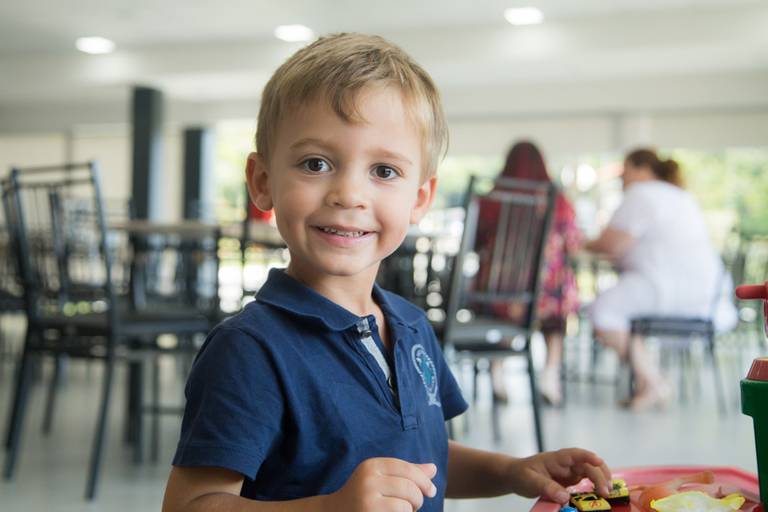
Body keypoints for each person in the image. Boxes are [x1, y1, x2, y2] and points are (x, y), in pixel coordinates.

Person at [162, 33, 611, 512]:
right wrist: (329, 508)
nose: (349, 194)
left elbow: (422, 461)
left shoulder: (412, 327)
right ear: (263, 182)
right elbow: (191, 505)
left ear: (420, 198)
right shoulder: (250, 350)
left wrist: (512, 471)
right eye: (316, 163)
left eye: (384, 171)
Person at [586, 148, 737, 410]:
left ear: (641, 169)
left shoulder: (642, 193)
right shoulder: (681, 196)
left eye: (626, 170)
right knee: (624, 312)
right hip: (708, 293)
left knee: (602, 311)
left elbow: (611, 245)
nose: (622, 178)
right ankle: (649, 382)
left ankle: (654, 381)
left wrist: (581, 242)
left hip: (667, 288)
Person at [481, 141, 581, 407]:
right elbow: (572, 242)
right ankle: (550, 376)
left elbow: (476, 242)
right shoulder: (557, 199)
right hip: (547, 294)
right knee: (556, 311)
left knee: (497, 309)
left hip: (501, 294)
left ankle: (498, 374)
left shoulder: (493, 197)